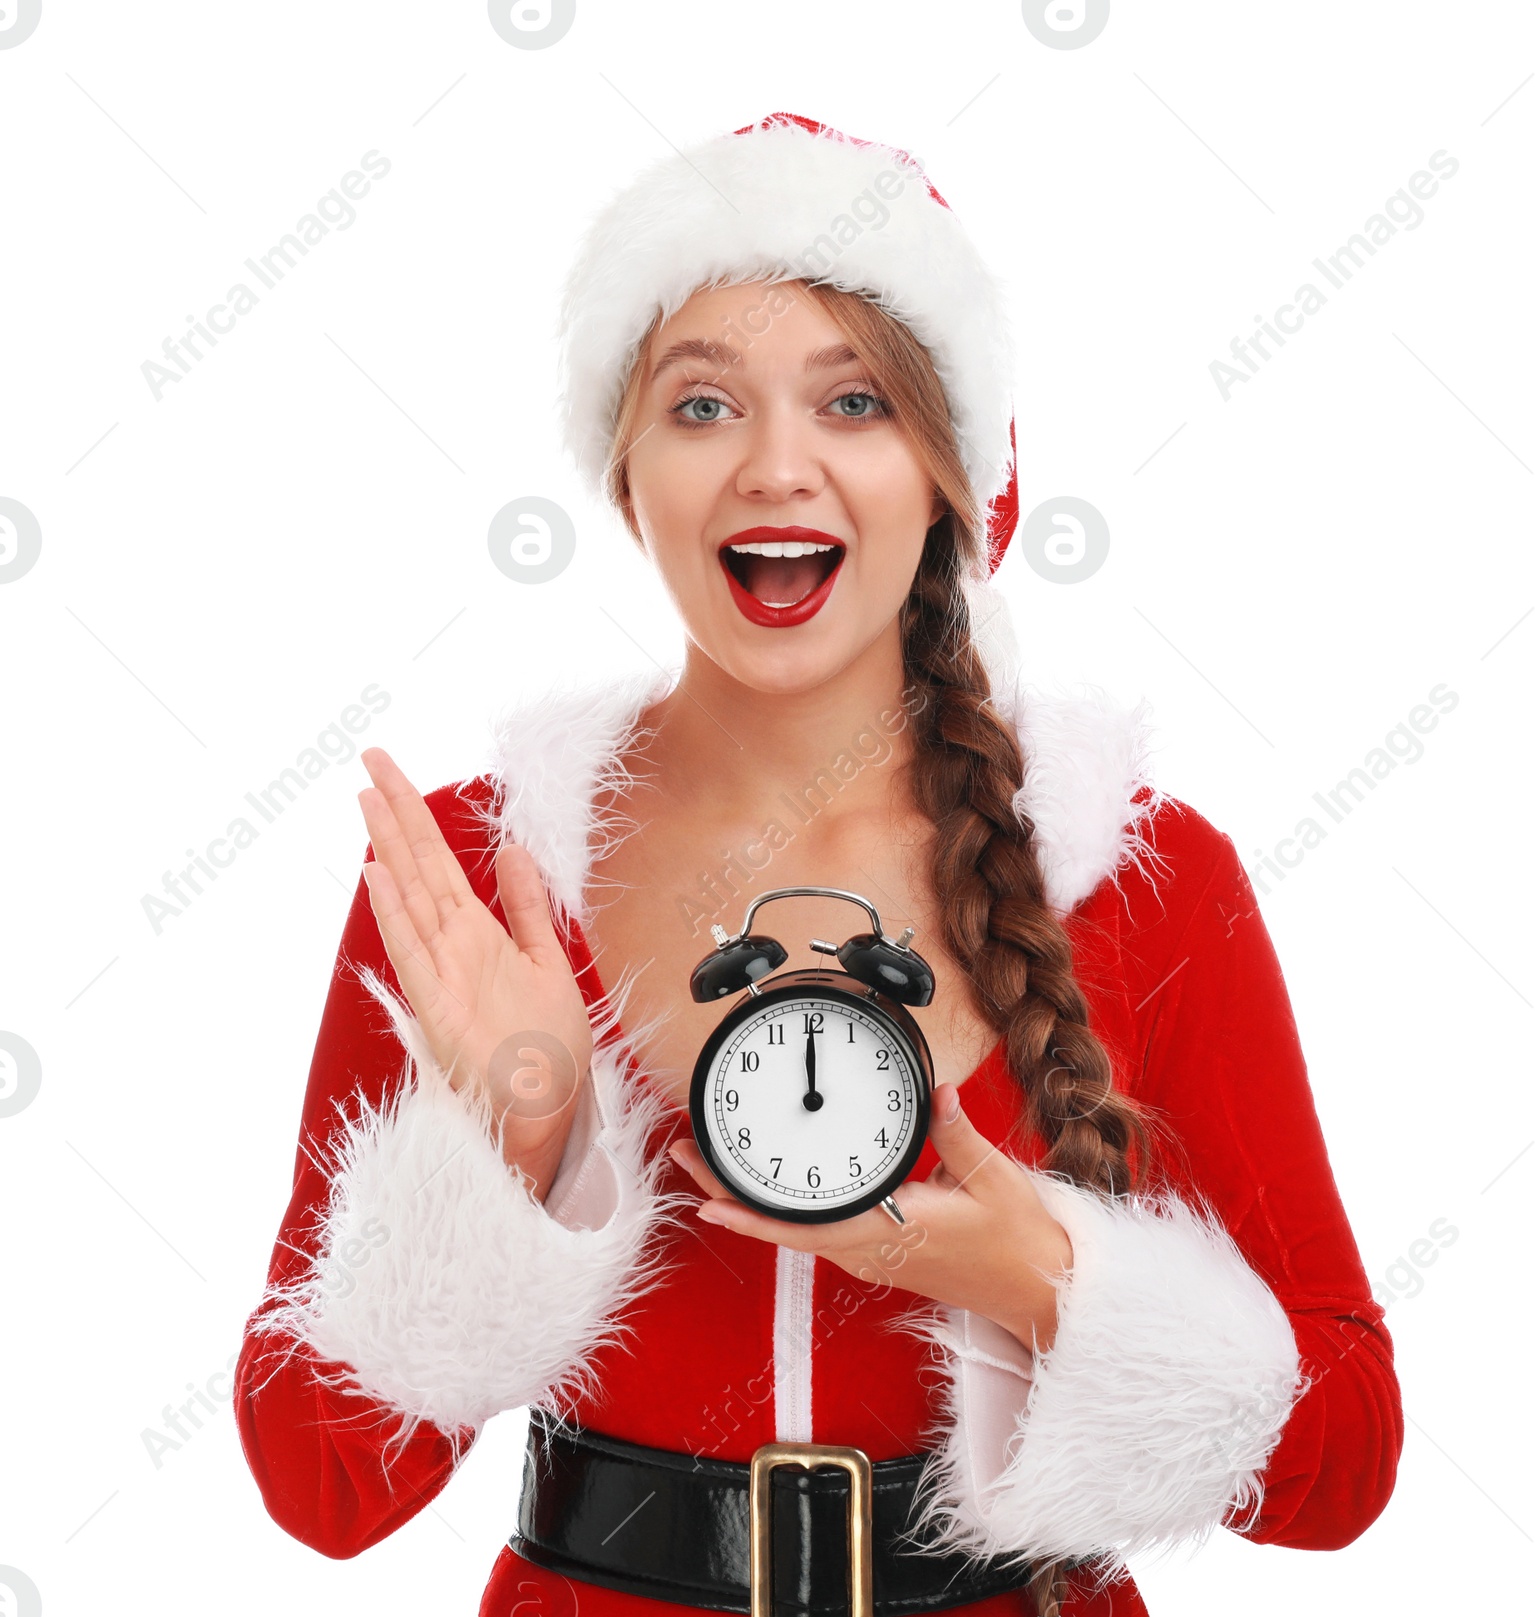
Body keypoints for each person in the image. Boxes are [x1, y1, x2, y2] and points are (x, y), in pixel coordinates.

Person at [232, 113, 1403, 1617]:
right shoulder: (477, 881)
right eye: (702, 404)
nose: (776, 469)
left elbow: (1345, 1467)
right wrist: (515, 1138)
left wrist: (1046, 1283)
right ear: (625, 471)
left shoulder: (1148, 880)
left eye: (854, 402)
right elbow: (319, 1485)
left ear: (950, 476)